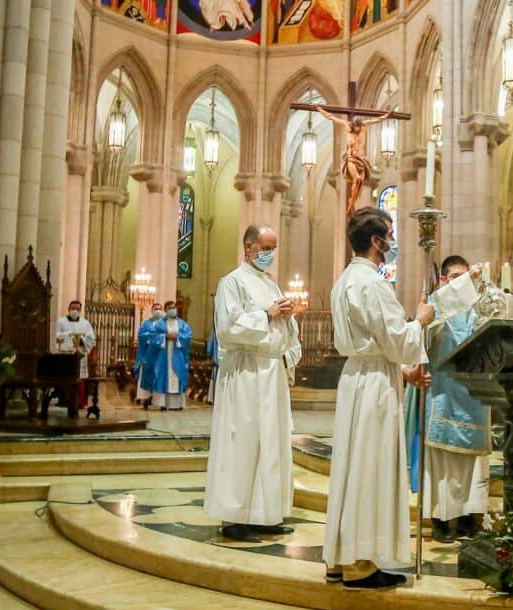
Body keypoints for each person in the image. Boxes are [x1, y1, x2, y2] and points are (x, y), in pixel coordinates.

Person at [325, 207, 430, 589]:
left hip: (358, 376)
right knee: (369, 465)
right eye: (389, 233)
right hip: (373, 387)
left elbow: (373, 342)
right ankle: (359, 563)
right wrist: (420, 320)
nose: (392, 241)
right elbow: (397, 340)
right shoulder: (372, 283)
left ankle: (340, 557)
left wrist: (401, 371)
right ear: (375, 240)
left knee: (352, 467)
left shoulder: (346, 280)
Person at [205, 225, 303, 542]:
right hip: (245, 372)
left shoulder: (270, 283)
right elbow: (228, 328)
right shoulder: (231, 282)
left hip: (271, 372)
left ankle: (264, 513)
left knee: (271, 442)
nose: (270, 255)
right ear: (249, 246)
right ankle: (235, 517)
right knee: (243, 442)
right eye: (266, 247)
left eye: (274, 248)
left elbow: (285, 328)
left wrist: (287, 317)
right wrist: (268, 314)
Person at [421, 255, 491, 541]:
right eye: (458, 278)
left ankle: (468, 515)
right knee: (444, 461)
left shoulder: (478, 307)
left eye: (467, 277)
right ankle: (441, 517)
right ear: (443, 280)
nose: (466, 283)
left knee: (473, 465)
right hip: (445, 390)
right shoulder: (436, 303)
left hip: (475, 391)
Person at [55, 300, 100, 418]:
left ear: (80, 310)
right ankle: (64, 401)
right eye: (73, 308)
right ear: (68, 309)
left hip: (80, 355)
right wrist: (69, 337)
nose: (75, 310)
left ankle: (80, 402)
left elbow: (91, 339)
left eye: (77, 308)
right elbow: (56, 336)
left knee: (79, 379)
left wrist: (81, 340)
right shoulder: (61, 322)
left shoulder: (85, 323)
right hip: (65, 355)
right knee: (65, 378)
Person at [151, 302, 192, 411]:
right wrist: (165, 336)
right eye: (170, 308)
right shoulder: (160, 324)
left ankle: (177, 404)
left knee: (177, 376)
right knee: (164, 377)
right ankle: (163, 403)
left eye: (174, 308)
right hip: (164, 356)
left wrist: (178, 337)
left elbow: (188, 336)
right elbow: (154, 337)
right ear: (165, 310)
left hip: (177, 355)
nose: (172, 310)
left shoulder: (182, 324)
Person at [134, 304, 165, 409]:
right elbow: (142, 336)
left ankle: (160, 401)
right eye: (156, 309)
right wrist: (153, 338)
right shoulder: (146, 324)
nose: (158, 311)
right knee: (147, 376)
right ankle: (147, 398)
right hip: (148, 356)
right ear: (152, 311)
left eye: (160, 309)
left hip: (161, 356)